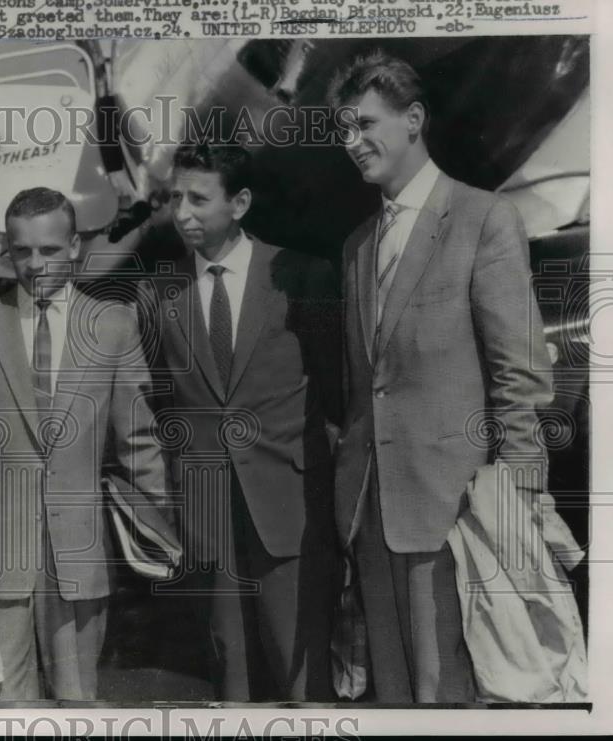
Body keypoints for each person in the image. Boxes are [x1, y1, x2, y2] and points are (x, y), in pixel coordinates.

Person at [328, 50, 554, 702]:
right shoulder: (357, 246)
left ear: (414, 119)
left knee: (447, 697)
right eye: (344, 128)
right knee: (397, 699)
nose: (352, 142)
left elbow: (519, 379)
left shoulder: (484, 219)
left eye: (365, 123)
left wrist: (518, 504)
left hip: (456, 514)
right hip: (371, 516)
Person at [0, 187, 173, 701]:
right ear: (7, 250)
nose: (34, 263)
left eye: (48, 250)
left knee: (77, 703)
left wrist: (161, 531)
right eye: (22, 250)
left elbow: (139, 443)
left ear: (74, 249)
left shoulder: (114, 325)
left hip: (81, 553)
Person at [154, 142, 342, 701]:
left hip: (290, 510)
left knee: (301, 676)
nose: (181, 212)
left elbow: (336, 395)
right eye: (174, 197)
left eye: (197, 198)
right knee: (230, 672)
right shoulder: (160, 294)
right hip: (209, 517)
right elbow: (162, 408)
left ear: (239, 203)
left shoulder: (302, 276)